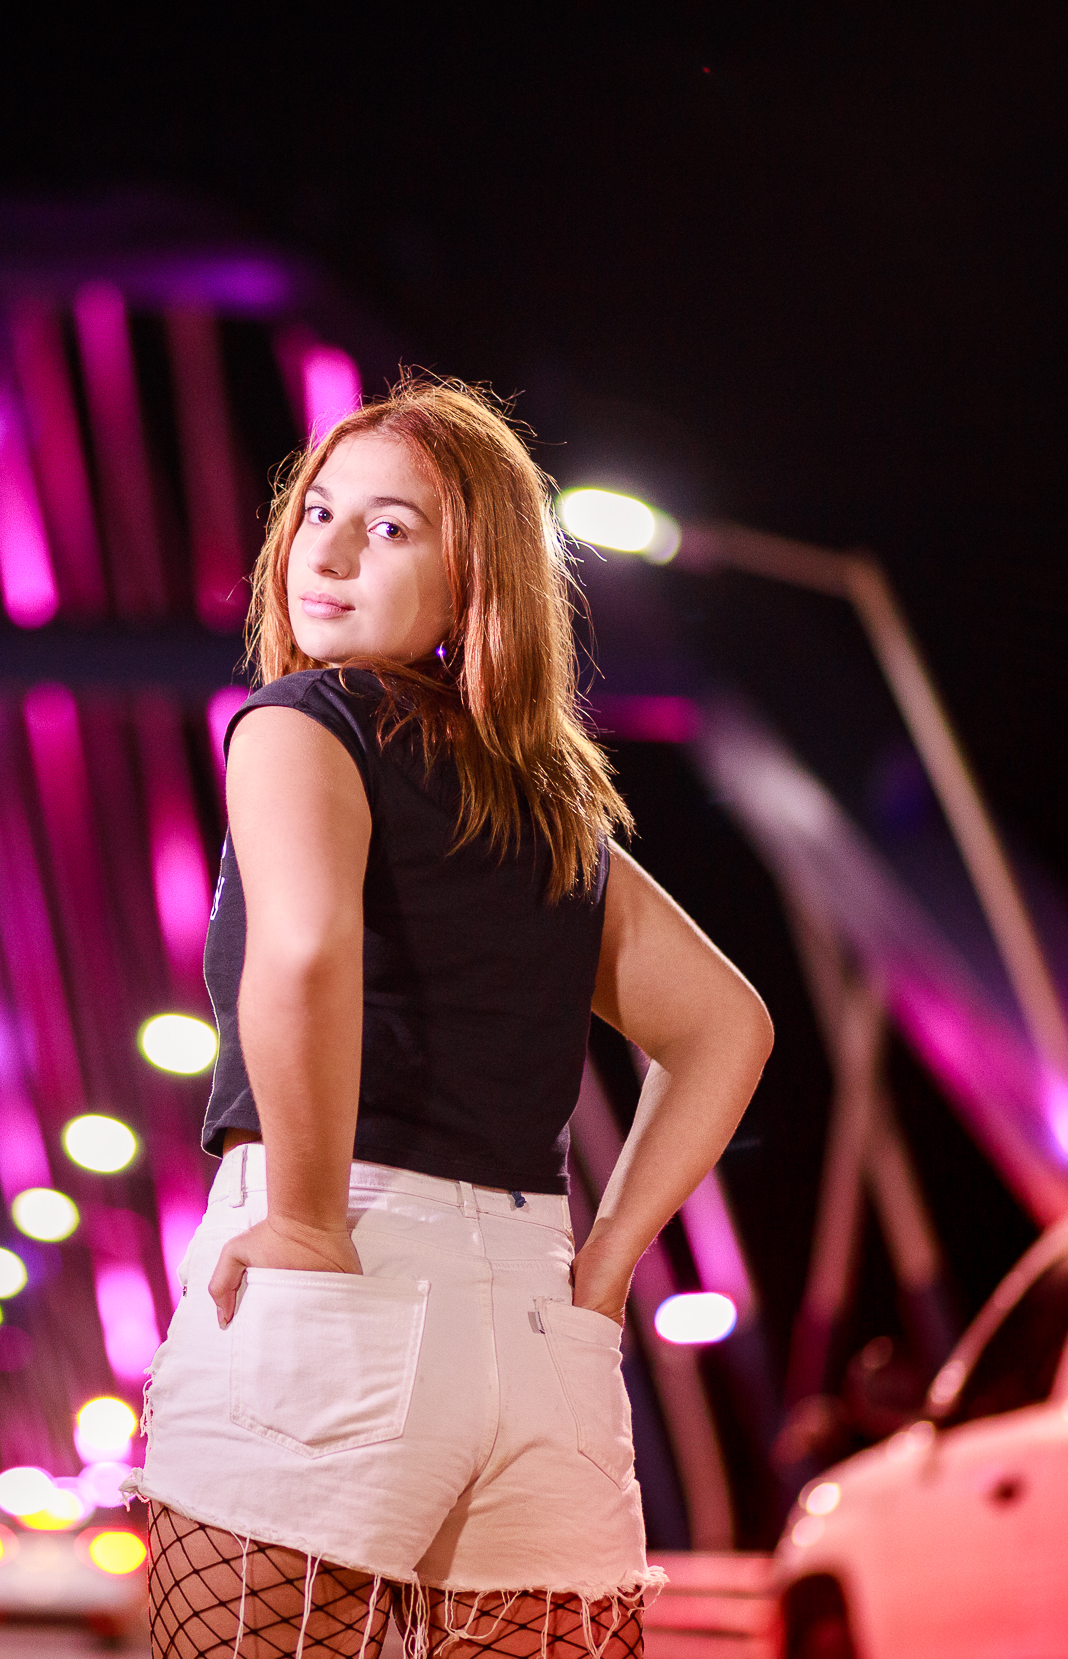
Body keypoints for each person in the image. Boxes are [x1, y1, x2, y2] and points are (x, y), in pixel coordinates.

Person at [127, 378, 774, 1659]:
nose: (325, 551)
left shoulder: (299, 725)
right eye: (318, 511)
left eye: (390, 527)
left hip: (339, 1277)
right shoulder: (548, 807)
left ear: (475, 580)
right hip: (541, 1332)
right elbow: (727, 1026)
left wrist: (302, 1214)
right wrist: (606, 1264)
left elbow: (303, 950)